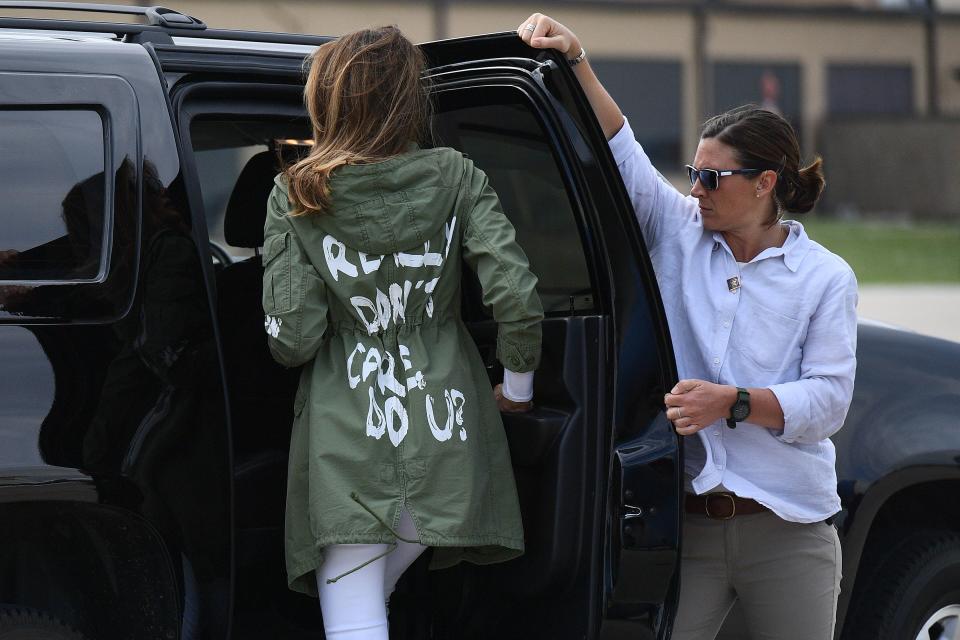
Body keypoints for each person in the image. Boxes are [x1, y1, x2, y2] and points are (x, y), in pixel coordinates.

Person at [517, 14, 857, 640]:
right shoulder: (678, 230)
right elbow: (621, 147)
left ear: (764, 184)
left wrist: (732, 402)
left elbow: (830, 401)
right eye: (693, 173)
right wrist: (576, 59)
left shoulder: (825, 277)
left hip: (789, 526)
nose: (694, 188)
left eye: (711, 177)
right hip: (690, 525)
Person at [261, 26, 543, 640]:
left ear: (329, 100)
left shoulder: (297, 192)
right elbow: (517, 298)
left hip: (349, 435)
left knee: (354, 611)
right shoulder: (458, 175)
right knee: (371, 601)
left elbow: (293, 339)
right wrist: (516, 389)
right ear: (409, 99)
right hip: (448, 422)